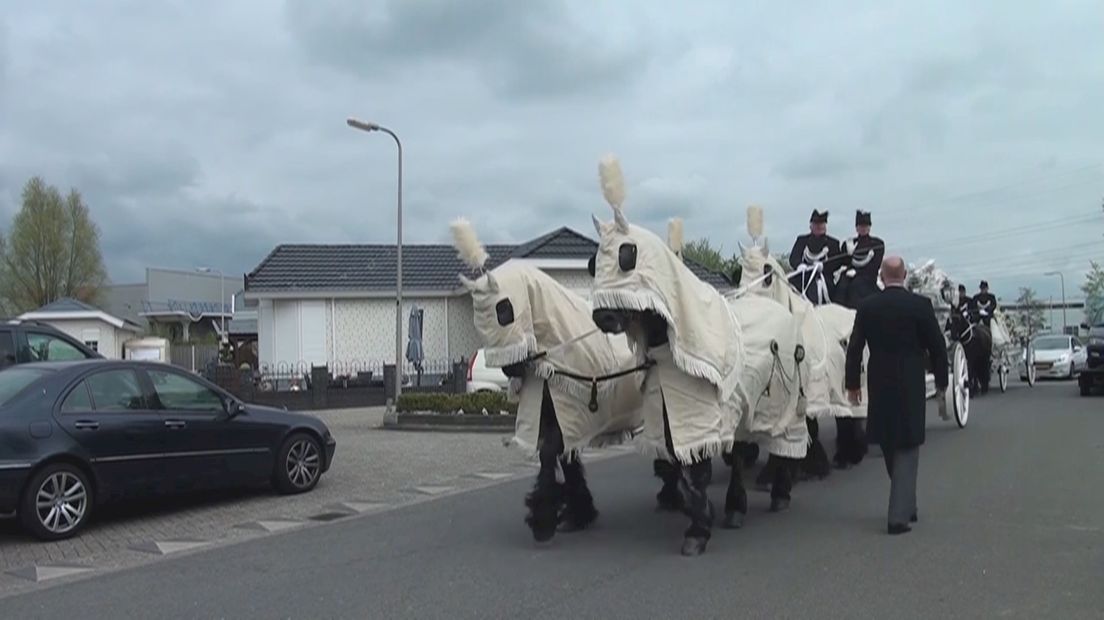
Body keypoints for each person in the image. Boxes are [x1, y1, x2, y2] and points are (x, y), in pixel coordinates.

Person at [845, 255, 949, 535]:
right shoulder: (919, 305)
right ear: (904, 276)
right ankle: (898, 517)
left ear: (881, 275)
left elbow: (854, 348)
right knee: (908, 443)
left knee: (892, 442)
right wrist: (941, 383)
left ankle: (907, 504)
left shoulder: (867, 307)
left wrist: (852, 385)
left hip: (879, 380)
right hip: (910, 380)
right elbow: (938, 347)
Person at [830, 209, 884, 469]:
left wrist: (854, 270)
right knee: (840, 288)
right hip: (849, 283)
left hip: (866, 284)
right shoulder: (846, 244)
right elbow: (844, 261)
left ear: (869, 227)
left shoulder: (877, 244)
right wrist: (844, 266)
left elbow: (871, 266)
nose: (862, 229)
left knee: (858, 288)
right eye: (859, 226)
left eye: (865, 226)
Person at [788, 209, 842, 306]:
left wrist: (824, 266)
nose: (819, 226)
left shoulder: (833, 243)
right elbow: (793, 257)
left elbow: (837, 262)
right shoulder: (802, 240)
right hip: (803, 276)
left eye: (822, 224)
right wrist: (800, 265)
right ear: (811, 226)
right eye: (816, 224)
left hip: (823, 277)